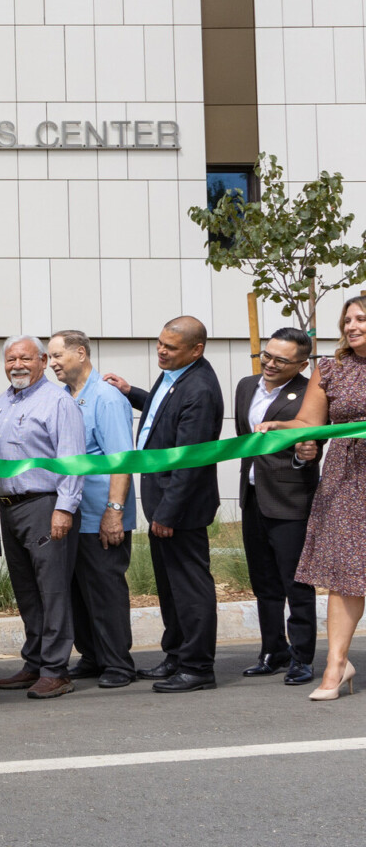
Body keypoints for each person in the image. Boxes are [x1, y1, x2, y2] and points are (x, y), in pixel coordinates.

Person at [104, 316, 225, 693]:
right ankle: (176, 655)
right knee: (170, 588)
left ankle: (198, 666)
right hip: (162, 501)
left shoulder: (201, 389)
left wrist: (167, 513)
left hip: (180, 509)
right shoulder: (175, 374)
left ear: (196, 349)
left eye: (170, 347)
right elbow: (161, 413)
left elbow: (188, 462)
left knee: (190, 589)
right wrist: (132, 392)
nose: (162, 351)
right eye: (160, 343)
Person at [258, 294, 366, 701]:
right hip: (349, 481)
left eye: (360, 319)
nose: (351, 326)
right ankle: (337, 665)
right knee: (345, 576)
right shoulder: (331, 369)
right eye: (348, 320)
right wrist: (287, 430)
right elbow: (309, 422)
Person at [0, 336, 86, 700]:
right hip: (8, 507)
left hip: (44, 505)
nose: (17, 365)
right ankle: (35, 661)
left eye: (25, 358)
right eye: (11, 359)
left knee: (52, 590)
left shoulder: (58, 401)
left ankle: (56, 670)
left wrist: (64, 507)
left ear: (42, 361)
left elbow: (72, 459)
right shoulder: (3, 401)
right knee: (27, 590)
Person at [46, 331, 139, 688]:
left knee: (105, 591)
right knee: (78, 593)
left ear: (80, 353)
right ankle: (93, 654)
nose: (52, 362)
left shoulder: (107, 398)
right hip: (73, 514)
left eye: (57, 355)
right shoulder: (65, 397)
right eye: (50, 356)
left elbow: (121, 460)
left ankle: (118, 663)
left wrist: (114, 511)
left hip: (102, 512)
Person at [235, 327, 321, 685]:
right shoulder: (245, 386)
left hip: (290, 501)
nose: (269, 364)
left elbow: (312, 447)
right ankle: (273, 651)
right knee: (263, 581)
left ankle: (302, 657)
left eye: (280, 360)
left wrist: (305, 456)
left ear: (301, 364)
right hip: (253, 495)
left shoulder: (310, 393)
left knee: (295, 583)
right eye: (266, 356)